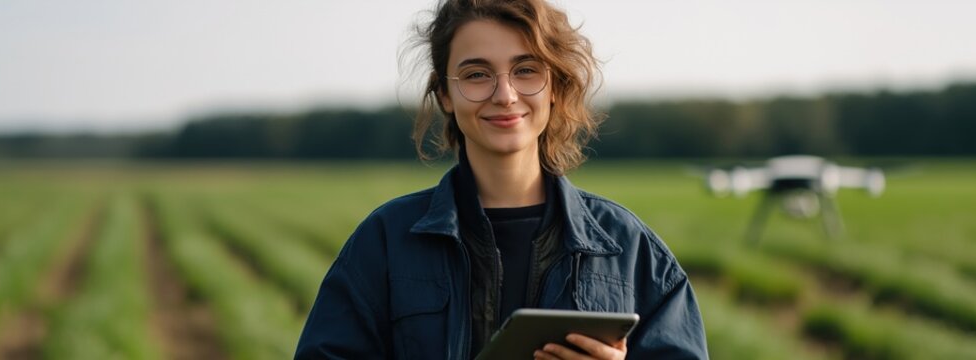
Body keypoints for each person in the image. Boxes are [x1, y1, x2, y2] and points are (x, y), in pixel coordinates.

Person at [295, 0, 709, 358]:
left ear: (554, 85)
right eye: (476, 74)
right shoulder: (384, 243)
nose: (505, 94)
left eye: (526, 70)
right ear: (444, 93)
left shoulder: (632, 252)